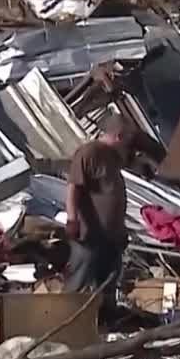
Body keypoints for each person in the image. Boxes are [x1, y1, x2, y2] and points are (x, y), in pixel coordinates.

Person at [65, 113, 132, 297]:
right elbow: (73, 188)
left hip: (111, 236)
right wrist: (72, 220)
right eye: (125, 136)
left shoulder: (113, 157)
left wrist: (120, 229)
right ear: (118, 135)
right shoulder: (88, 153)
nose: (127, 141)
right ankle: (69, 317)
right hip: (90, 235)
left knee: (108, 281)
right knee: (80, 279)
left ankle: (105, 318)